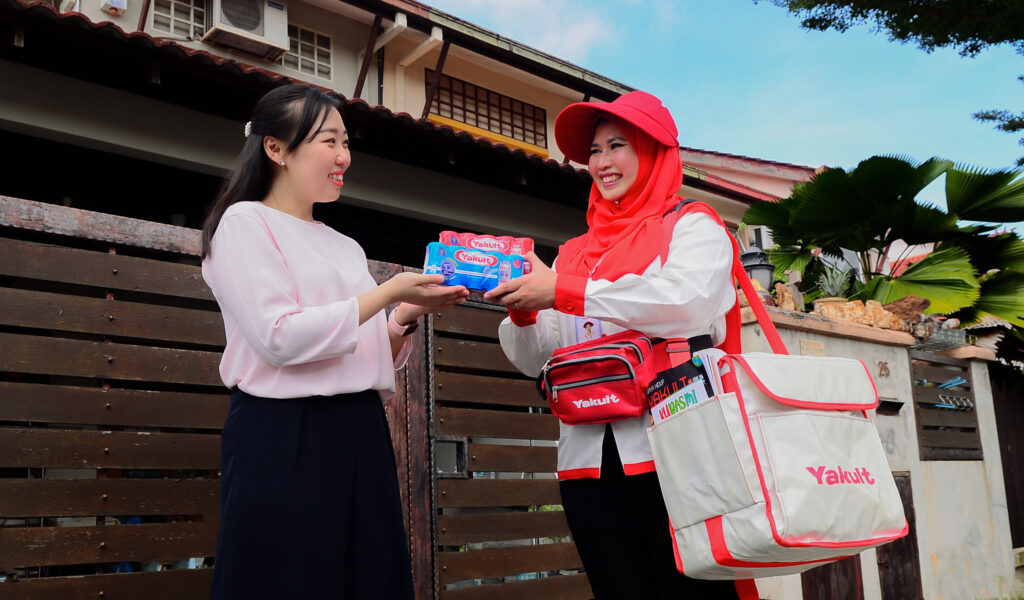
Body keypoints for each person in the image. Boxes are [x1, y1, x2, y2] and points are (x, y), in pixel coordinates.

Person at [200, 84, 469, 599]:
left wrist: (403, 317)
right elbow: (279, 337)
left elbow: (361, 353)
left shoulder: (345, 245)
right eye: (328, 141)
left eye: (346, 142)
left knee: (367, 577)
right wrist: (387, 291)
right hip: (281, 433)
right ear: (275, 149)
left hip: (359, 431)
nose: (343, 156)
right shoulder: (243, 223)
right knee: (287, 579)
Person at [484, 91, 745, 599]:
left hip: (680, 453)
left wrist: (564, 291)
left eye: (617, 145)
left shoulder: (694, 227)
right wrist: (524, 310)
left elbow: (686, 304)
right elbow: (539, 358)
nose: (602, 162)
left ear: (654, 151)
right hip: (586, 465)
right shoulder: (573, 253)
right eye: (595, 151)